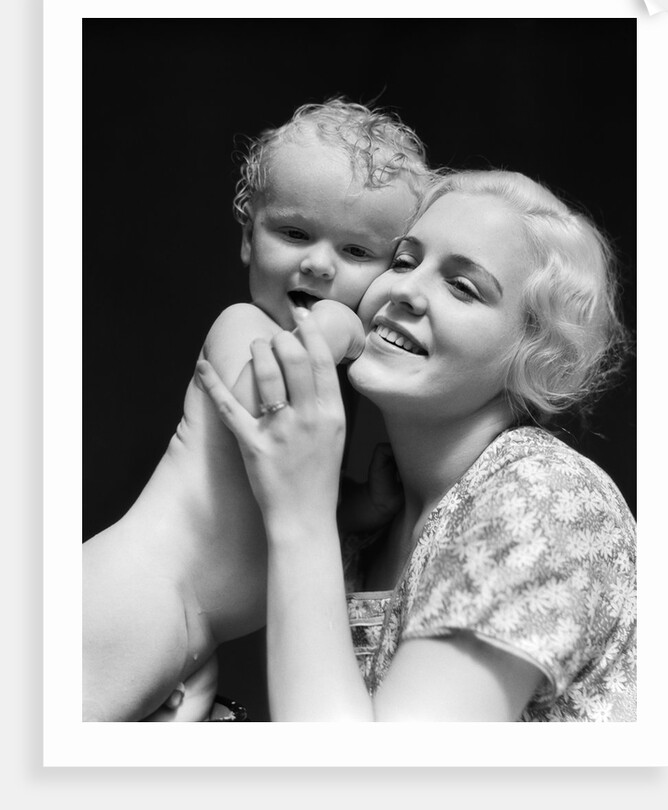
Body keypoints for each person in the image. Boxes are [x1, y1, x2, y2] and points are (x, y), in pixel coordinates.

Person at [196, 168, 637, 721]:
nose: (403, 290)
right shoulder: (369, 527)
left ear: (534, 356)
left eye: (462, 286)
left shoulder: (544, 497)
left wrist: (299, 513)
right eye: (404, 261)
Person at [82, 99, 429, 721]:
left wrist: (358, 506)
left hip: (189, 628)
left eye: (356, 252)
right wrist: (335, 328)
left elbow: (284, 496)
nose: (319, 263)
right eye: (294, 233)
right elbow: (255, 411)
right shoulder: (242, 327)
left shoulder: (321, 380)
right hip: (132, 595)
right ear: (249, 238)